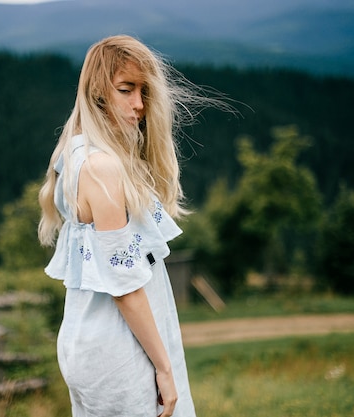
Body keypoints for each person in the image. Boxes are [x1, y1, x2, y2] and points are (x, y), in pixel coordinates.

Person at [38, 35, 235, 417]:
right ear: (97, 90)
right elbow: (124, 286)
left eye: (144, 91)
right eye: (126, 89)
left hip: (96, 341)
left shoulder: (74, 153)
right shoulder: (103, 168)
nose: (140, 105)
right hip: (120, 348)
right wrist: (164, 367)